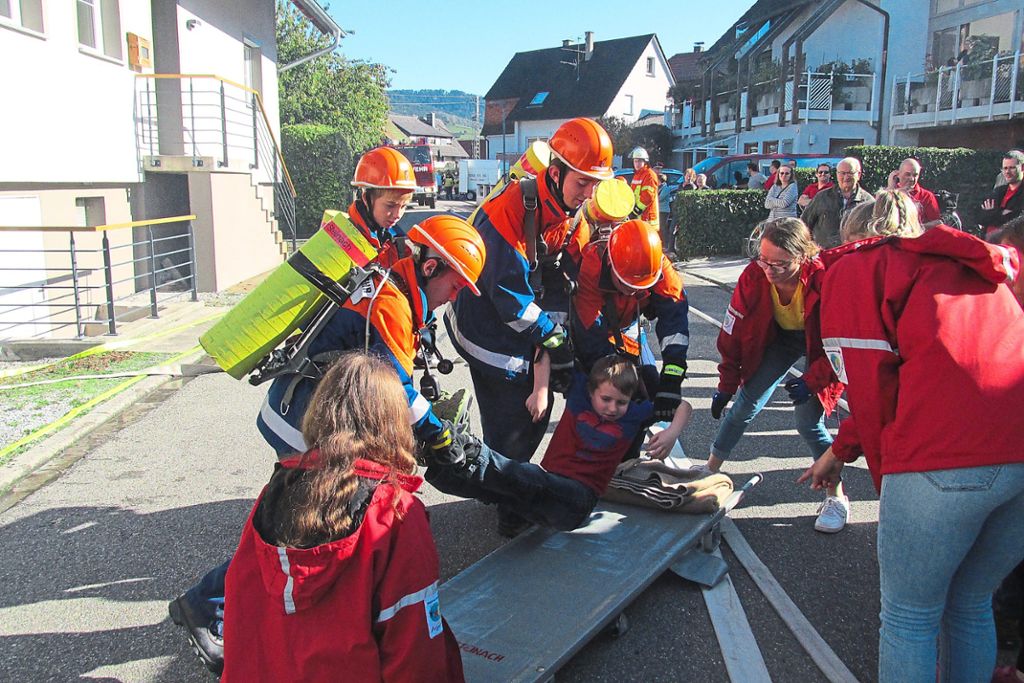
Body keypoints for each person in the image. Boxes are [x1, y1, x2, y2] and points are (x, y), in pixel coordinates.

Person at [170, 214, 487, 675]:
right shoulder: (392, 303)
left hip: (304, 412)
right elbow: (394, 387)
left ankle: (254, 608)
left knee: (308, 522)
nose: (456, 297)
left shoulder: (395, 282)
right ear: (433, 266)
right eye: (456, 286)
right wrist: (438, 433)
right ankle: (207, 603)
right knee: (303, 525)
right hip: (306, 421)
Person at [801, 189, 1024, 683]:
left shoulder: (861, 269)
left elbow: (871, 385)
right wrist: (841, 449)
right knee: (970, 604)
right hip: (1017, 450)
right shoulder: (967, 264)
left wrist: (890, 485)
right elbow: (917, 371)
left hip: (941, 457)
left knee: (909, 617)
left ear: (855, 237)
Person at [222, 352, 465, 682]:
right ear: (393, 423)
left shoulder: (275, 492)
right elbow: (413, 637)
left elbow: (242, 606)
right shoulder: (395, 512)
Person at [445, 117, 612, 537]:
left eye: (595, 183)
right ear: (554, 173)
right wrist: (554, 341)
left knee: (518, 416)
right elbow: (511, 301)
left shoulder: (571, 212)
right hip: (484, 327)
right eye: (582, 183)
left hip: (514, 320)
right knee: (523, 418)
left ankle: (496, 481)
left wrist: (592, 340)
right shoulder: (506, 214)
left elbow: (576, 281)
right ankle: (507, 502)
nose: (589, 193)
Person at [425, 354, 693, 531]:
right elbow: (546, 352)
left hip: (577, 501)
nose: (612, 408)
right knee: (499, 489)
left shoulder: (633, 416)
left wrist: (670, 434)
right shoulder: (579, 394)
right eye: (606, 399)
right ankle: (440, 463)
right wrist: (540, 389)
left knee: (525, 475)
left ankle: (468, 446)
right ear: (591, 392)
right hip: (546, 490)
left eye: (621, 402)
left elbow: (683, 405)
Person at [704, 217, 848, 532]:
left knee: (807, 422)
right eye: (764, 260)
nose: (769, 270)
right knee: (744, 404)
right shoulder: (753, 275)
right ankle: (708, 471)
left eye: (780, 265)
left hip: (821, 348)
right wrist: (726, 382)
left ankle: (836, 494)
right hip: (779, 339)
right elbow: (733, 331)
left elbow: (841, 346)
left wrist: (813, 381)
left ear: (804, 256)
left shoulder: (826, 280)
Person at [571, 219, 690, 423]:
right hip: (597, 332)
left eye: (640, 287)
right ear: (611, 265)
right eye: (627, 284)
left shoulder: (658, 266)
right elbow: (590, 337)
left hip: (628, 330)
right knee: (591, 400)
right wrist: (624, 388)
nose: (634, 291)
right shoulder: (591, 266)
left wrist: (672, 377)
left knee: (651, 389)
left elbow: (675, 324)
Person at [801, 156, 873, 248]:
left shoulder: (868, 202)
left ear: (858, 175)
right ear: (837, 174)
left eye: (850, 173)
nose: (846, 177)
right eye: (842, 173)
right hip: (824, 256)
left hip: (853, 256)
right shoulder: (822, 197)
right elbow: (804, 224)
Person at [981, 150, 1024, 240]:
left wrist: (992, 213)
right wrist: (1002, 213)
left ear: (1022, 168)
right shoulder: (998, 191)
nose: (1007, 172)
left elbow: (1016, 221)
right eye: (1005, 168)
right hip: (988, 243)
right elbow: (982, 217)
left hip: (1010, 246)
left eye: (1012, 168)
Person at [895, 158, 941, 228]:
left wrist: (917, 228)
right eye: (907, 174)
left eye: (915, 175)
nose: (912, 179)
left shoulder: (926, 196)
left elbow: (937, 222)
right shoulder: (889, 193)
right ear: (898, 174)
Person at [628, 146, 660, 229]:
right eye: (635, 161)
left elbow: (648, 196)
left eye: (639, 161)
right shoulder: (637, 175)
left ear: (645, 162)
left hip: (647, 218)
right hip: (639, 217)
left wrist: (635, 211)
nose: (637, 164)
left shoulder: (649, 175)